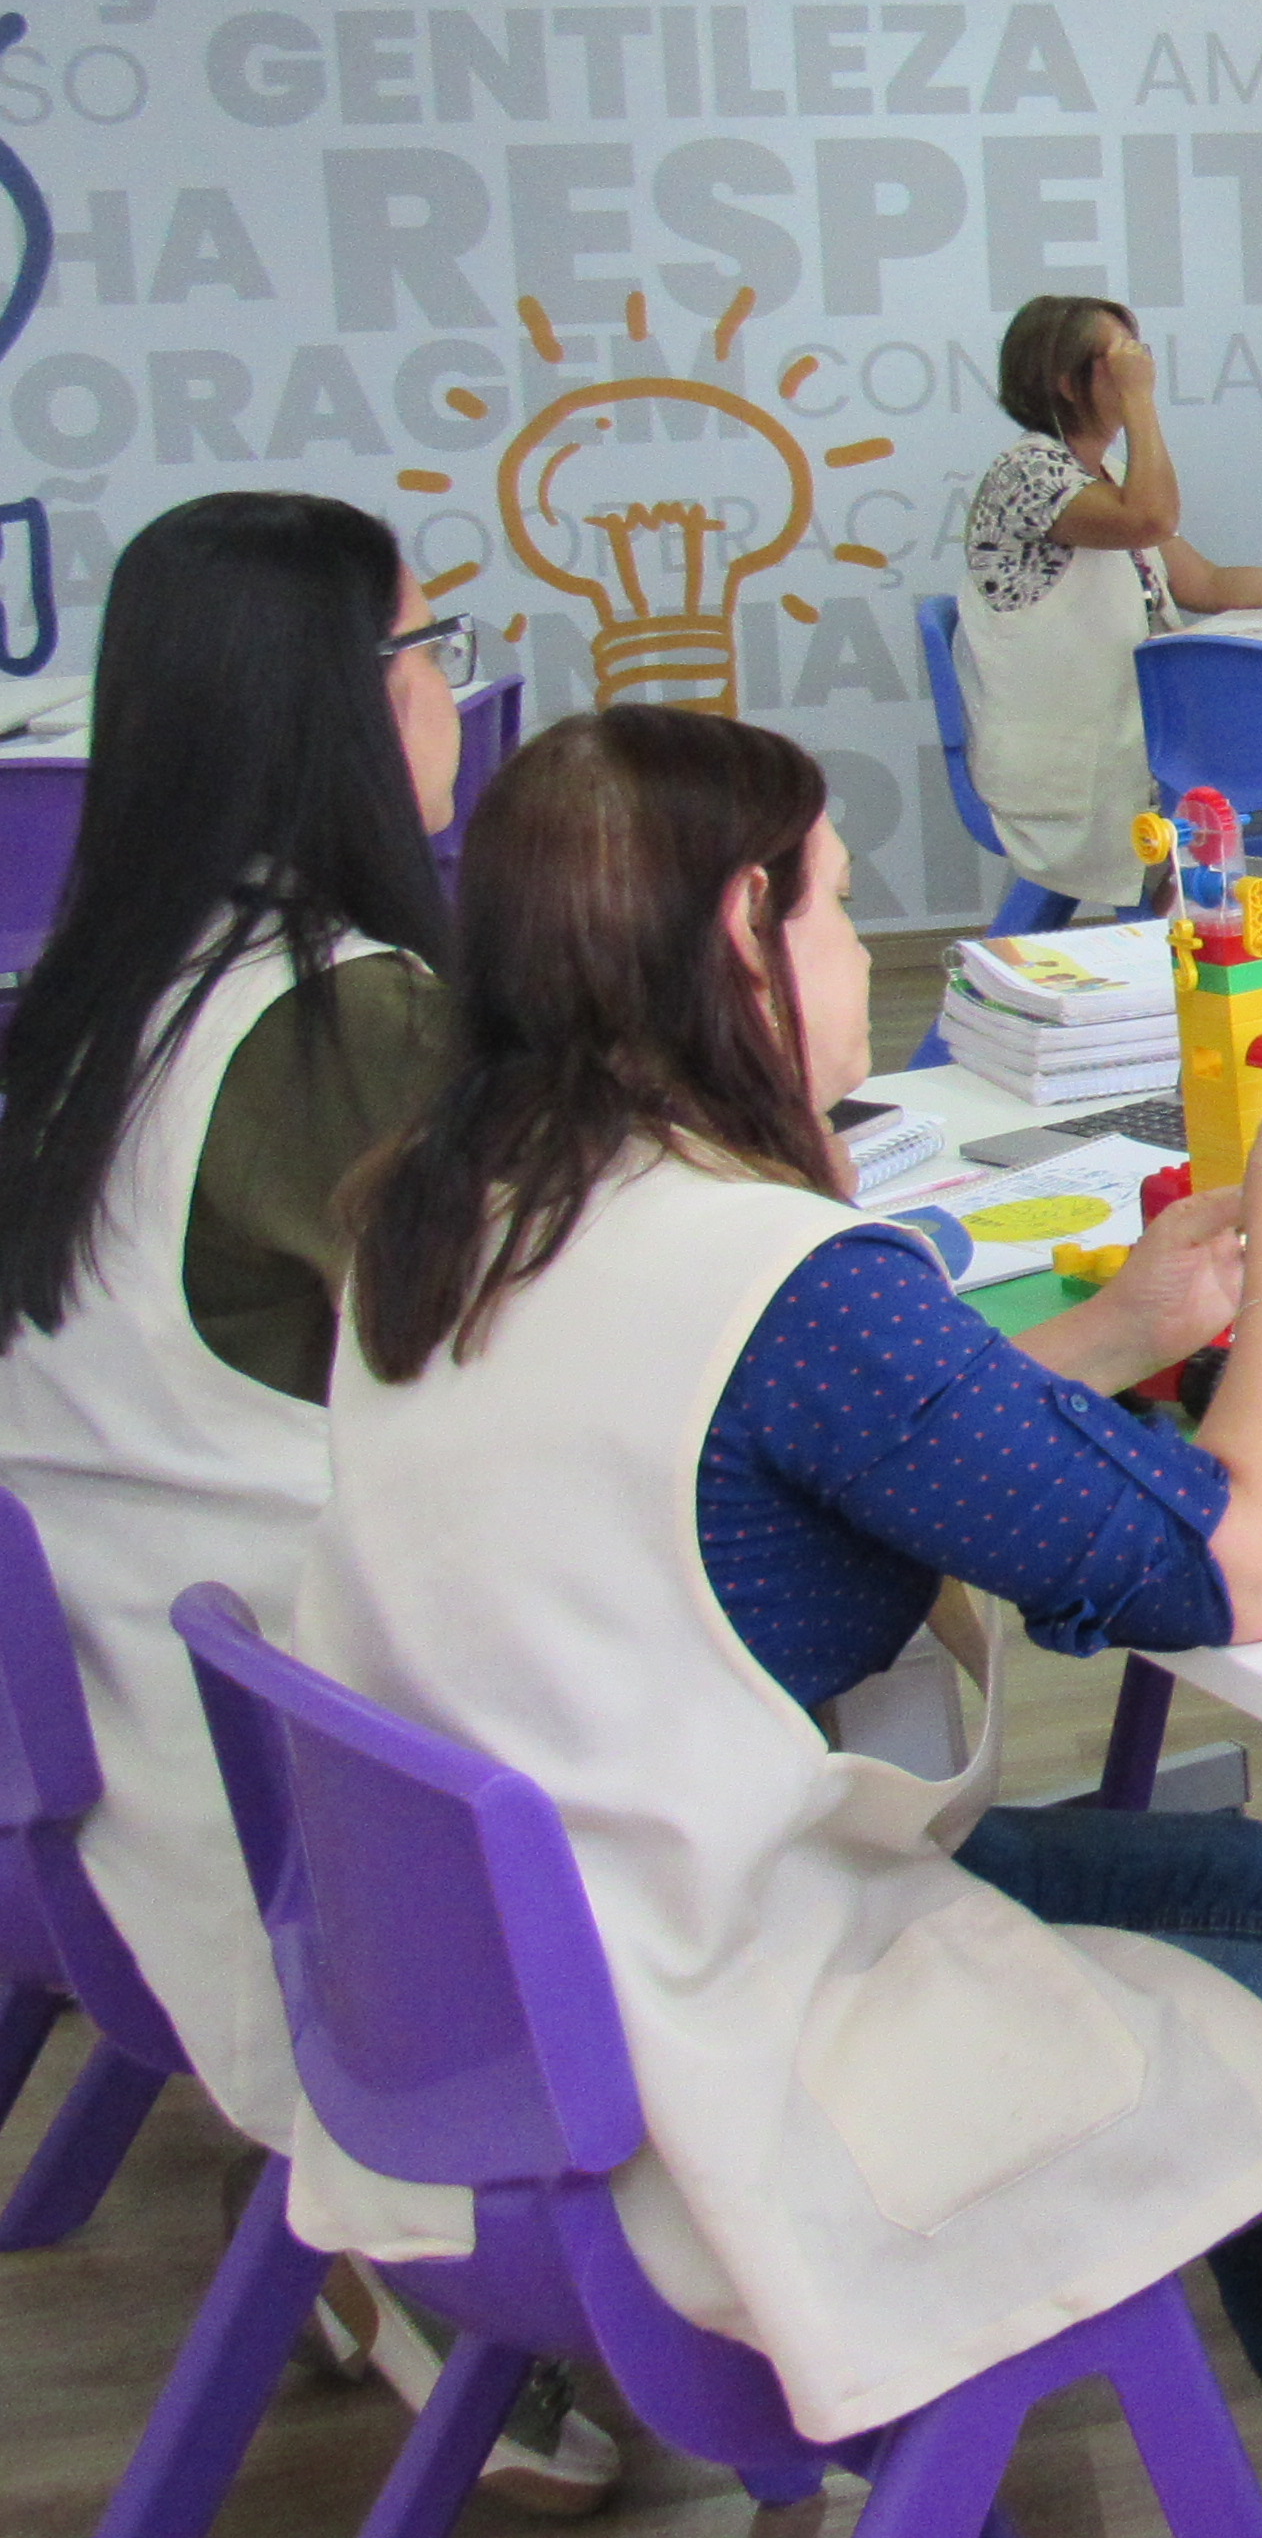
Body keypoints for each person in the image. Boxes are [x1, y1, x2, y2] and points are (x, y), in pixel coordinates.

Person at [301, 708, 1262, 2538]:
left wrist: (1119, 1332)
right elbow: (1249, 1565)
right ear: (741, 936)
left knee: (1247, 1890)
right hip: (710, 2072)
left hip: (515, 2009)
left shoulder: (461, 1211)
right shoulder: (785, 1281)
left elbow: (764, 1451)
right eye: (830, 905)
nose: (856, 951)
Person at [0, 493, 621, 2511]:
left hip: (113, 1762)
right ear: (338, 706)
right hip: (322, 1819)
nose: (454, 695)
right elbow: (568, 1352)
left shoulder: (90, 991)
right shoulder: (342, 1015)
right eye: (431, 650)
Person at [954, 296, 1262, 911]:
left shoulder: (1109, 472)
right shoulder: (1028, 474)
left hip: (1131, 741)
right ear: (1067, 381)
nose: (1142, 368)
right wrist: (1141, 403)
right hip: (1073, 764)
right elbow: (1150, 518)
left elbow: (1206, 584)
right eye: (1124, 358)